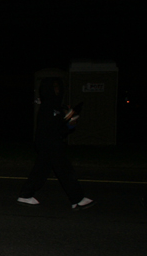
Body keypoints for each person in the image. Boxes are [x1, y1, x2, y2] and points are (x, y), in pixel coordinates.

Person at [18, 77, 94, 210]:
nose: (57, 90)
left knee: (41, 171)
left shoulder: (57, 106)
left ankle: (26, 194)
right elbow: (50, 128)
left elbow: (61, 129)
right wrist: (65, 121)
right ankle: (77, 199)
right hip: (49, 144)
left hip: (53, 143)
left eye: (58, 87)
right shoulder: (47, 106)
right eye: (54, 87)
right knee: (65, 170)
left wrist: (70, 122)